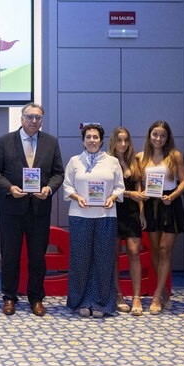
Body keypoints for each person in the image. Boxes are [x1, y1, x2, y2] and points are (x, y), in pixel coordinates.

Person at [0, 103, 64, 317]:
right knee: (10, 255)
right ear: (21, 119)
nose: (33, 121)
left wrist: (49, 189)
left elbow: (59, 173)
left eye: (38, 118)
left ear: (42, 121)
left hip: (39, 208)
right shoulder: (5, 141)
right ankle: (9, 297)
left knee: (38, 257)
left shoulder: (51, 142)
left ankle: (36, 298)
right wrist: (9, 188)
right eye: (29, 117)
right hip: (11, 208)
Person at [63, 124, 125, 318]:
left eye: (95, 137)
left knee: (104, 260)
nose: (92, 140)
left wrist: (111, 198)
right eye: (88, 137)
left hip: (106, 216)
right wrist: (77, 197)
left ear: (101, 140)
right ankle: (81, 302)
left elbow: (119, 187)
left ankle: (101, 304)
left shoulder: (112, 162)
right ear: (83, 140)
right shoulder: (74, 161)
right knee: (80, 261)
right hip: (79, 215)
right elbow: (67, 186)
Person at [136, 120, 184, 315]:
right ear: (149, 136)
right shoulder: (141, 157)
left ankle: (157, 296)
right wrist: (141, 210)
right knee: (155, 251)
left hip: (169, 204)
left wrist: (173, 196)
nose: (158, 138)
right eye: (155, 135)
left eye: (162, 135)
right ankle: (164, 291)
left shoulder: (174, 155)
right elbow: (139, 186)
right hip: (151, 206)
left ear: (168, 137)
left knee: (166, 250)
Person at [108, 126, 146, 316]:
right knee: (114, 254)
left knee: (134, 252)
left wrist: (142, 213)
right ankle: (118, 294)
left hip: (131, 212)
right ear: (113, 142)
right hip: (113, 210)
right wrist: (130, 194)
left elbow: (139, 187)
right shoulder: (107, 162)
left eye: (126, 140)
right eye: (119, 140)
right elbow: (107, 190)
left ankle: (137, 296)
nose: (123, 144)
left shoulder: (135, 160)